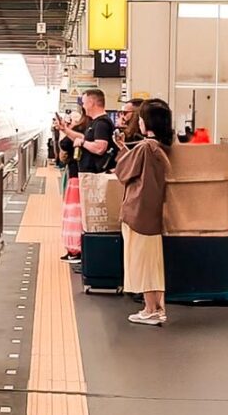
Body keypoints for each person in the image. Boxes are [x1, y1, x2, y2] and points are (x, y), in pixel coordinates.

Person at [115, 99, 174, 326]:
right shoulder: (162, 147)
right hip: (155, 212)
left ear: (145, 123)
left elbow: (123, 171)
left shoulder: (144, 147)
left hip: (138, 212)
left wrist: (121, 150)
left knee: (140, 262)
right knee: (153, 262)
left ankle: (149, 308)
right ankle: (158, 307)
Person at [54, 90, 115, 262]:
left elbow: (100, 147)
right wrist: (66, 129)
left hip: (94, 176)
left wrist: (83, 143)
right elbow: (81, 137)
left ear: (93, 103)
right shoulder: (95, 123)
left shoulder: (102, 123)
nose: (83, 105)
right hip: (88, 176)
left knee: (85, 215)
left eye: (85, 102)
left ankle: (82, 251)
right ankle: (80, 250)